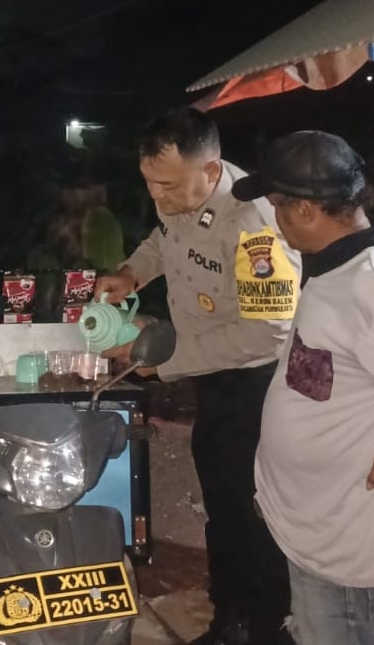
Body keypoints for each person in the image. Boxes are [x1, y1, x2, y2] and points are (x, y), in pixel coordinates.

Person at [95, 107, 300, 645]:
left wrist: (161, 363)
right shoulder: (182, 193)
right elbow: (164, 239)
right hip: (214, 373)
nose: (156, 195)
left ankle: (270, 627)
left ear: (210, 171)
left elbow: (266, 335)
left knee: (255, 510)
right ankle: (229, 617)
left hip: (258, 383)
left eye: (166, 185)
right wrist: (131, 273)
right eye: (148, 183)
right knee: (223, 505)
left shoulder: (255, 225)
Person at [231, 130, 374, 645]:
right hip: (318, 532)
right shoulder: (335, 269)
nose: (275, 221)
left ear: (305, 210)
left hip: (349, 555)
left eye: (278, 207)